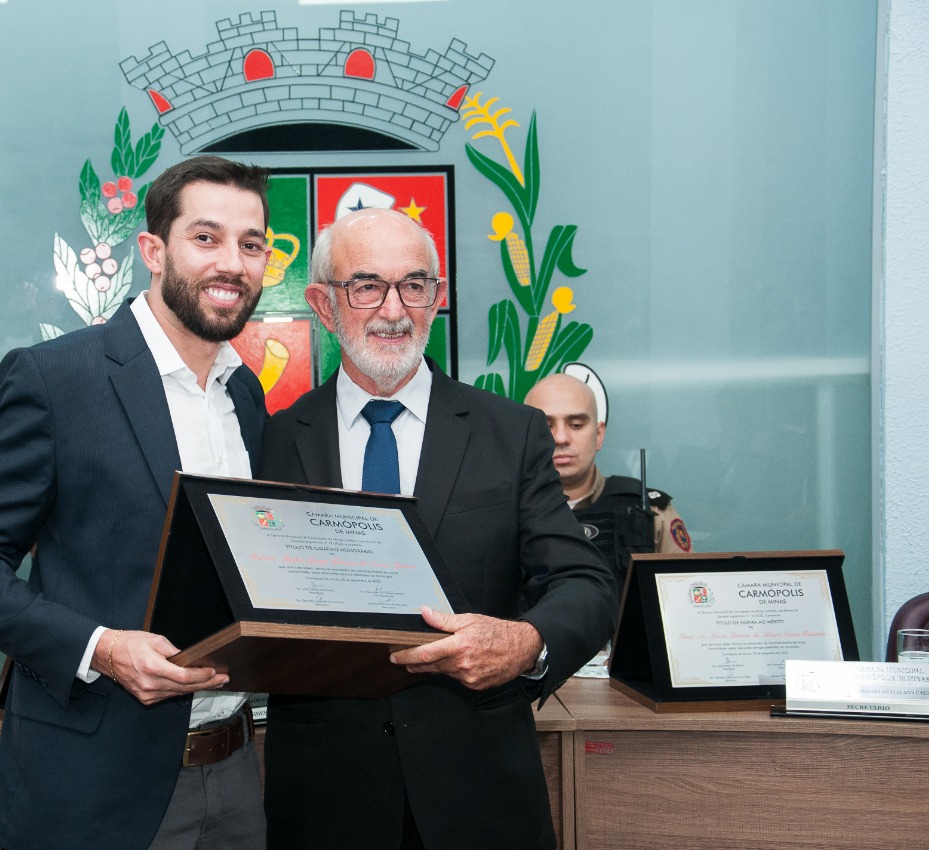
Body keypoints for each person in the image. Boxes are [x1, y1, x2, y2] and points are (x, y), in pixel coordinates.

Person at [0, 155, 273, 850]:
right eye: (206, 238)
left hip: (236, 772)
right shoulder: (57, 378)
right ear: (153, 250)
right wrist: (103, 649)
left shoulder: (244, 393)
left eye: (251, 243)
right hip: (92, 786)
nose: (232, 263)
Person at [259, 208, 616, 850]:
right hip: (324, 800)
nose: (394, 310)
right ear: (323, 304)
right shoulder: (276, 440)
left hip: (478, 794)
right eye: (367, 286)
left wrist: (527, 641)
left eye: (414, 285)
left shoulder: (510, 432)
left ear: (437, 296)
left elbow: (585, 584)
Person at [524, 373, 692, 595]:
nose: (561, 438)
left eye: (576, 425)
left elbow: (686, 599)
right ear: (525, 438)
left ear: (599, 434)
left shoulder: (649, 511)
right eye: (546, 426)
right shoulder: (501, 515)